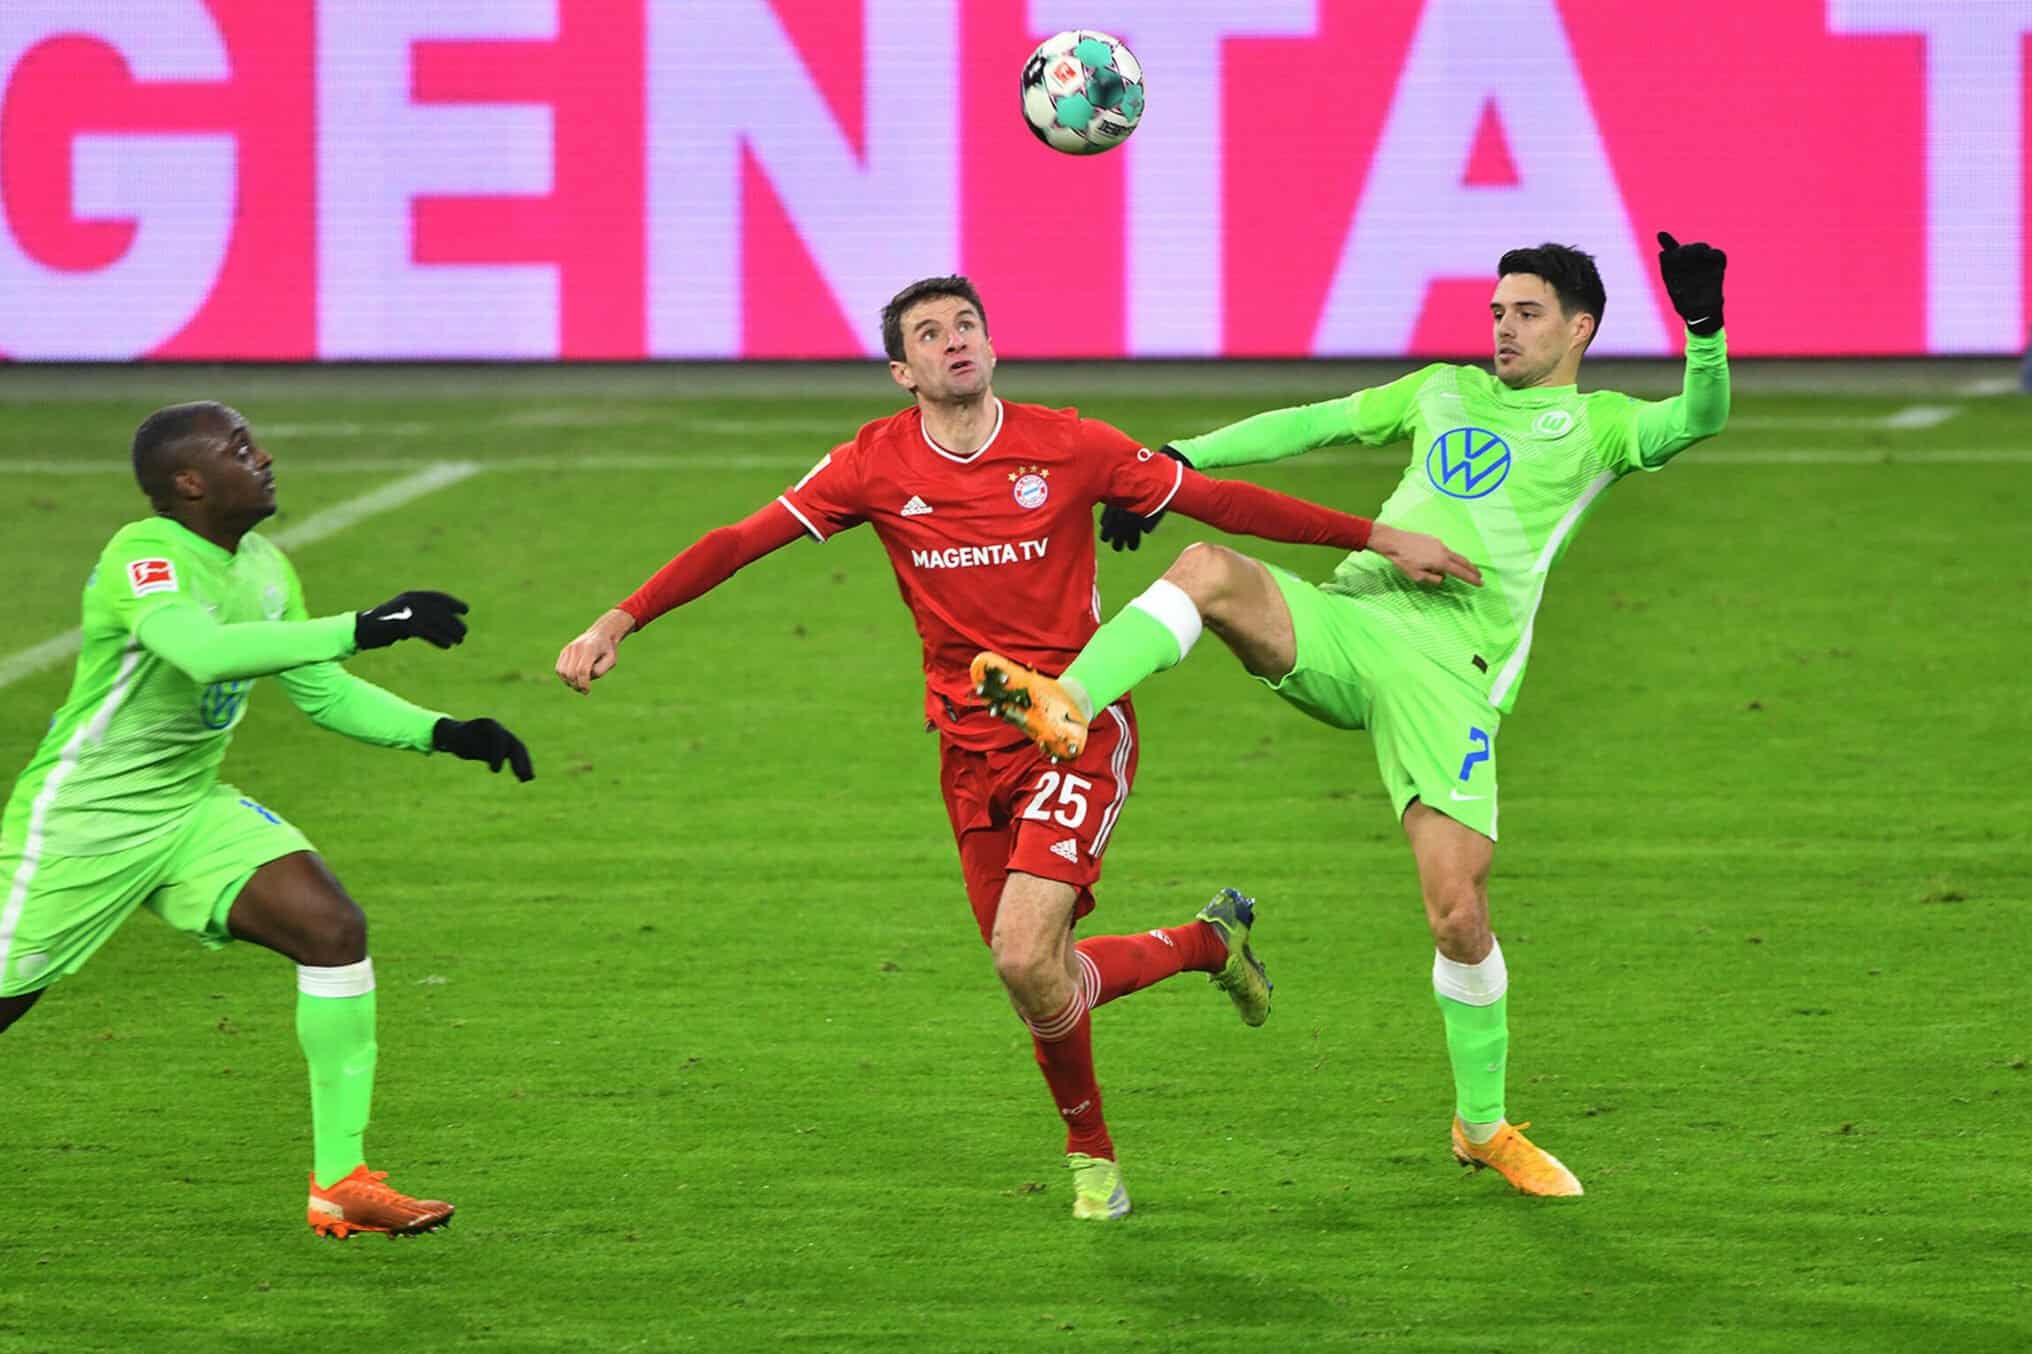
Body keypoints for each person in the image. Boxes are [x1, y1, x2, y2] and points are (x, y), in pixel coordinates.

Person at [555, 275, 1476, 1220]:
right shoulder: (873, 464)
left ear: (991, 346)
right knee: (1042, 976)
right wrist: (622, 617)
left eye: (967, 325)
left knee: (1022, 957)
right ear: (901, 371)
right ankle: (1208, 942)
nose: (955, 340)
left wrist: (1376, 535)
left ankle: (1093, 1159)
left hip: (1077, 731)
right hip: (967, 752)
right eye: (930, 333)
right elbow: (740, 540)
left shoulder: (1068, 446)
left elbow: (1220, 504)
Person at [973, 233, 1732, 1199]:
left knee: (1459, 914)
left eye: (1527, 313)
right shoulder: (1441, 389)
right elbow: (1312, 421)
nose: (1503, 328)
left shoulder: (1600, 426)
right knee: (1207, 568)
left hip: (1451, 679)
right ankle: (1067, 700)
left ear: (1580, 328)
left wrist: (1703, 327)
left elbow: (1699, 416)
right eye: (1498, 312)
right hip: (1353, 622)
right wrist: (1178, 462)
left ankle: (1482, 1127)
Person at [0, 401, 535, 1239]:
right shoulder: (143, 555)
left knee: (331, 927)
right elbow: (200, 654)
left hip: (189, 807)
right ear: (190, 481)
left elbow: (322, 691)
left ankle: (340, 1181)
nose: (265, 456)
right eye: (241, 449)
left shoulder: (267, 566)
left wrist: (443, 732)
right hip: (86, 821)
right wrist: (366, 625)